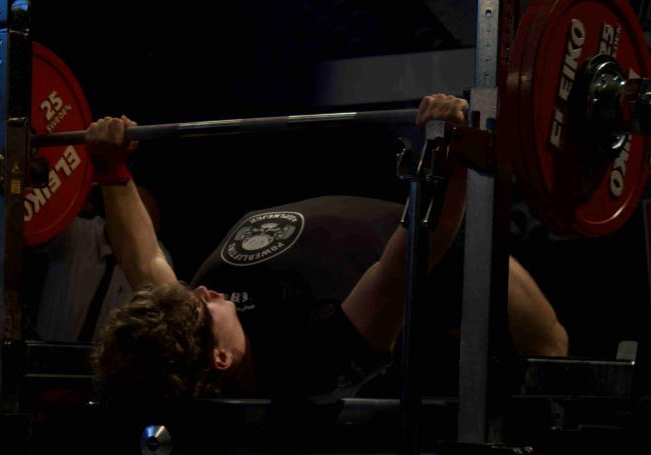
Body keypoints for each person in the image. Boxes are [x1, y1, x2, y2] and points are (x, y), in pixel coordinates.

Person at [85, 96, 569, 405]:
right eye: (202, 304)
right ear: (221, 359)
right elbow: (408, 260)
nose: (203, 291)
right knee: (551, 352)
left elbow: (144, 259)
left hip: (402, 232)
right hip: (437, 243)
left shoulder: (181, 328)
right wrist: (450, 151)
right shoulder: (311, 364)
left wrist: (110, 169)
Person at [30, 185, 173, 344]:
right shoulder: (77, 233)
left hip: (104, 358)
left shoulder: (158, 262)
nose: (135, 230)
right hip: (46, 351)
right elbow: (39, 228)